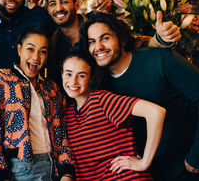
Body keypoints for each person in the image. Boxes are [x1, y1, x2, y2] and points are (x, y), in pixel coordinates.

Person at [79, 13, 199, 181]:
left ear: (121, 38)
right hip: (149, 174)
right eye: (92, 42)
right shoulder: (103, 86)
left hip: (187, 169)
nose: (98, 46)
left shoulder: (159, 59)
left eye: (105, 38)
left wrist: (198, 158)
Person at [0, 26, 74, 181]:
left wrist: (66, 171)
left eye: (43, 51)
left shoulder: (52, 89)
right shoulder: (0, 82)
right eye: (30, 49)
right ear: (19, 49)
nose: (36, 57)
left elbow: (62, 131)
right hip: (21, 169)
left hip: (54, 168)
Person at [44, 0, 181, 83]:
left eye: (64, 1)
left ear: (77, 5)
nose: (59, 8)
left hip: (112, 102)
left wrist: (161, 38)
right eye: (53, 4)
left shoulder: (96, 24)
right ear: (48, 10)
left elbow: (135, 43)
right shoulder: (52, 40)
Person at [61, 51, 165, 180]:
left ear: (91, 78)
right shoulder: (68, 114)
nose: (73, 81)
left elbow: (156, 112)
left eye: (81, 75)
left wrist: (144, 162)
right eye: (68, 74)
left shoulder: (100, 100)